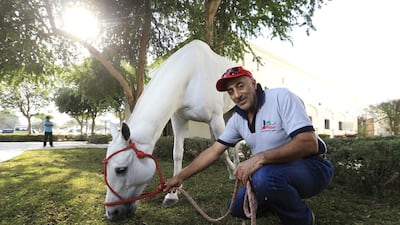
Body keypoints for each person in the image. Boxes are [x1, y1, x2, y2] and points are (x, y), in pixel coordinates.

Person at [163, 66, 334, 225]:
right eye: (231, 91)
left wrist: (260, 158)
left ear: (253, 83)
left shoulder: (281, 97)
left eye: (240, 86)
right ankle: (275, 198)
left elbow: (309, 143)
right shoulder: (237, 120)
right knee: (237, 208)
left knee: (264, 177)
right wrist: (180, 177)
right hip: (274, 170)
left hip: (313, 167)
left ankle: (301, 218)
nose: (236, 94)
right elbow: (214, 151)